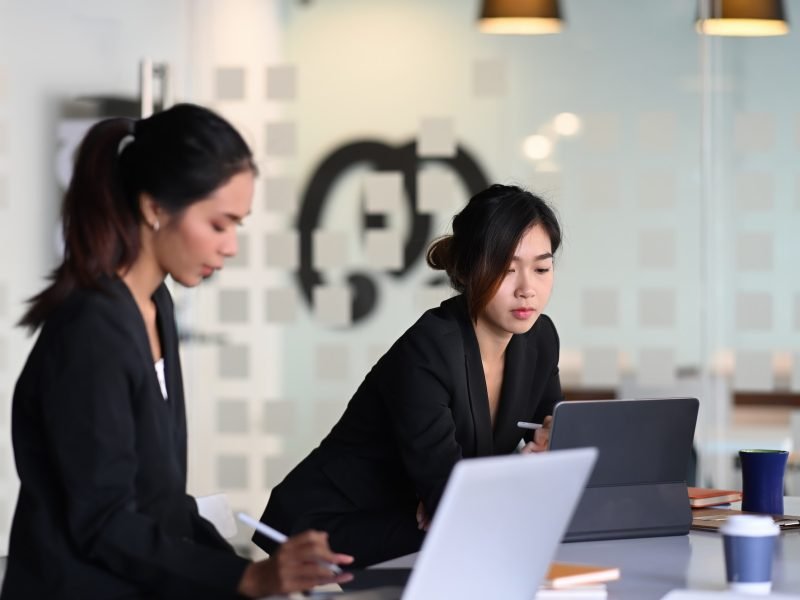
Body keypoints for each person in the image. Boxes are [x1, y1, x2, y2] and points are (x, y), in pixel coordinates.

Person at [1, 103, 352, 599]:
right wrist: (245, 577)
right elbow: (104, 521)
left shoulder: (155, 304)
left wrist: (252, 566)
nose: (230, 246)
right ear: (155, 208)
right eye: (219, 224)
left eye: (238, 226)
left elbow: (159, 505)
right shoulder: (90, 334)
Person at [256, 183, 563, 567]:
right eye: (505, 268)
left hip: (420, 522)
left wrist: (528, 463)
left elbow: (555, 444)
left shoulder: (541, 339)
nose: (527, 289)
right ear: (468, 270)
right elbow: (453, 499)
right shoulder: (430, 348)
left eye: (542, 268)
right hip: (334, 521)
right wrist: (500, 479)